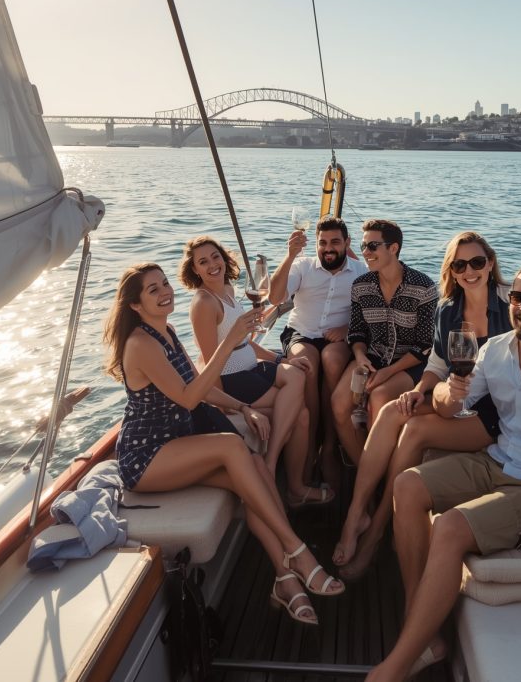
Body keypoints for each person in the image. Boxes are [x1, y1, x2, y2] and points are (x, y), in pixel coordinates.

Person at [366, 262, 521, 680]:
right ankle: (420, 623)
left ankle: (395, 666)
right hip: (498, 460)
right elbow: (450, 407)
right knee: (407, 485)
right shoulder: (495, 349)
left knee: (449, 527)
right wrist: (449, 390)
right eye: (518, 297)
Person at [104, 263, 343, 626]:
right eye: (152, 290)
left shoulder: (165, 331)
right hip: (146, 458)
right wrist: (229, 342)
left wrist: (244, 407)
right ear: (135, 305)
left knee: (252, 477)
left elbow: (198, 385)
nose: (164, 291)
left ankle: (285, 579)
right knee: (234, 448)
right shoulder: (141, 344)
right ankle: (297, 551)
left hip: (178, 443)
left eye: (165, 283)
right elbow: (188, 398)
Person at [333, 231, 510, 579]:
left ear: (490, 263)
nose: (469, 271)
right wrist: (422, 389)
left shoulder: (511, 303)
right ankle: (357, 513)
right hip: (457, 398)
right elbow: (438, 365)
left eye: (477, 262)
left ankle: (375, 532)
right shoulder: (449, 309)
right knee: (392, 410)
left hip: (497, 413)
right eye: (460, 264)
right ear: (452, 269)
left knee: (413, 429)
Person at [181, 236, 332, 508]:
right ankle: (285, 478)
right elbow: (209, 358)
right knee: (302, 416)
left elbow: (244, 341)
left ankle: (277, 468)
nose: (212, 265)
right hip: (232, 379)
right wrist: (227, 405)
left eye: (215, 257)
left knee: (296, 372)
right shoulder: (204, 303)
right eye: (203, 262)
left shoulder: (226, 288)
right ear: (195, 270)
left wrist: (277, 358)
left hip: (251, 367)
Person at [331, 219, 437, 468]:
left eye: (373, 246)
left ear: (393, 248)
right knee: (338, 404)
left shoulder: (423, 287)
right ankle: (364, 469)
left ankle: (382, 469)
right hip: (372, 357)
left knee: (378, 397)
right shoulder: (361, 286)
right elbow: (357, 332)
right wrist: (360, 357)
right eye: (364, 246)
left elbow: (424, 346)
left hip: (410, 363)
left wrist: (388, 372)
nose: (365, 252)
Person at [269, 216, 364, 490]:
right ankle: (310, 445)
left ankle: (331, 446)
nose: (328, 248)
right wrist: (289, 256)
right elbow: (275, 299)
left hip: (339, 337)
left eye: (335, 242)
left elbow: (371, 313)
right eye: (323, 243)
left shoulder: (360, 271)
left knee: (332, 361)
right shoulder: (302, 266)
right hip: (301, 332)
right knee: (306, 363)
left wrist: (347, 328)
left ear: (347, 243)